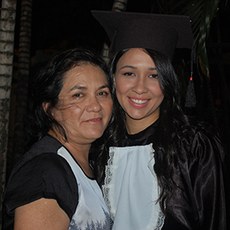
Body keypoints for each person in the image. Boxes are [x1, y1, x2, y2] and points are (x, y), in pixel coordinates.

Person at [92, 10, 227, 230]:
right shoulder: (98, 146)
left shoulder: (193, 146)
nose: (140, 87)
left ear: (168, 81)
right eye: (129, 73)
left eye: (154, 75)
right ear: (113, 78)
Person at [2, 48, 113, 229]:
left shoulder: (90, 163)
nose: (95, 106)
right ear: (50, 109)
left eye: (102, 93)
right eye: (78, 95)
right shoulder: (45, 172)